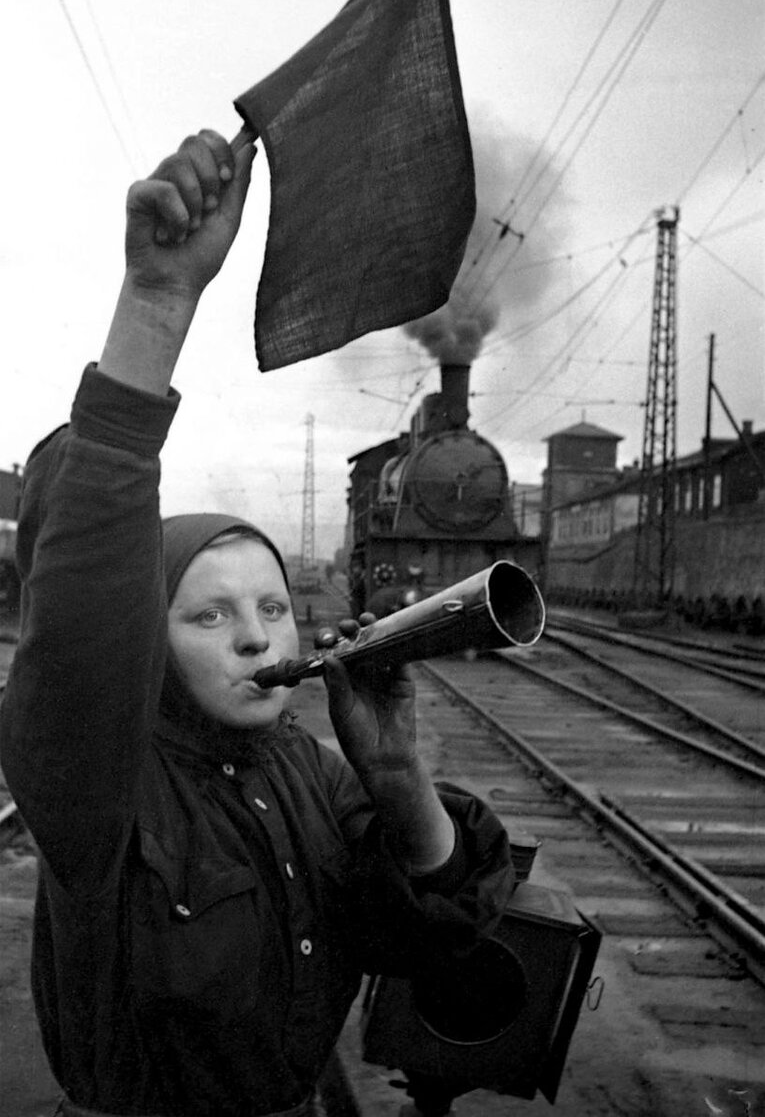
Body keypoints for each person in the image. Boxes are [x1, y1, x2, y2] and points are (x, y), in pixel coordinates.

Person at [0, 129, 515, 1117]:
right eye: (210, 614)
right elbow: (80, 621)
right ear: (147, 644)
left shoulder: (313, 774)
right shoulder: (99, 789)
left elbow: (435, 934)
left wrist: (399, 778)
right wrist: (158, 301)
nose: (258, 638)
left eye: (273, 608)